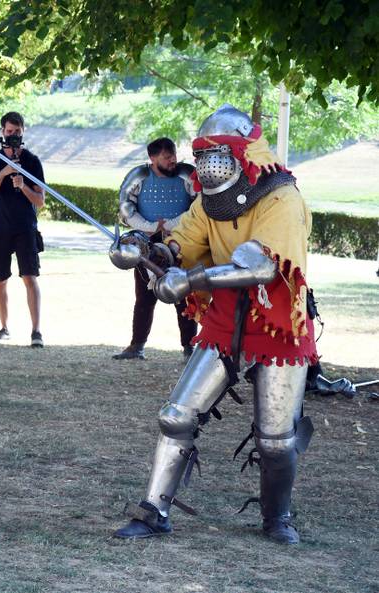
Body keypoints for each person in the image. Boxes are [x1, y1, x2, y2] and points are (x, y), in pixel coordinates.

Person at [109, 104, 318, 545]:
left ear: (244, 151)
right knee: (175, 416)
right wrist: (149, 253)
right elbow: (182, 240)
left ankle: (277, 517)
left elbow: (261, 268)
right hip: (224, 314)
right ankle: (154, 511)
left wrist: (191, 280)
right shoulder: (210, 201)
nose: (206, 162)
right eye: (201, 153)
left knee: (276, 440)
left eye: (216, 152)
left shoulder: (282, 197)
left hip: (277, 315)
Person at [113, 138, 198, 360]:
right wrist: (149, 227)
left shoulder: (186, 174)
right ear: (152, 158)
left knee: (184, 295)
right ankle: (136, 345)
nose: (172, 161)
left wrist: (171, 225)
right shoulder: (139, 176)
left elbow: (200, 205)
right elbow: (126, 207)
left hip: (180, 241)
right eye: (166, 157)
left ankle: (190, 347)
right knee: (144, 296)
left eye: (173, 156)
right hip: (146, 243)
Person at [0, 111, 46, 348]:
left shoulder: (32, 161)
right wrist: (4, 173)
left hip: (25, 227)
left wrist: (23, 185)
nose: (13, 136)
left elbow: (40, 200)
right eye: (9, 132)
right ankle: (4, 328)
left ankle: (36, 331)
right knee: (0, 278)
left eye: (17, 132)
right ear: (2, 132)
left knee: (30, 277)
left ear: (23, 132)